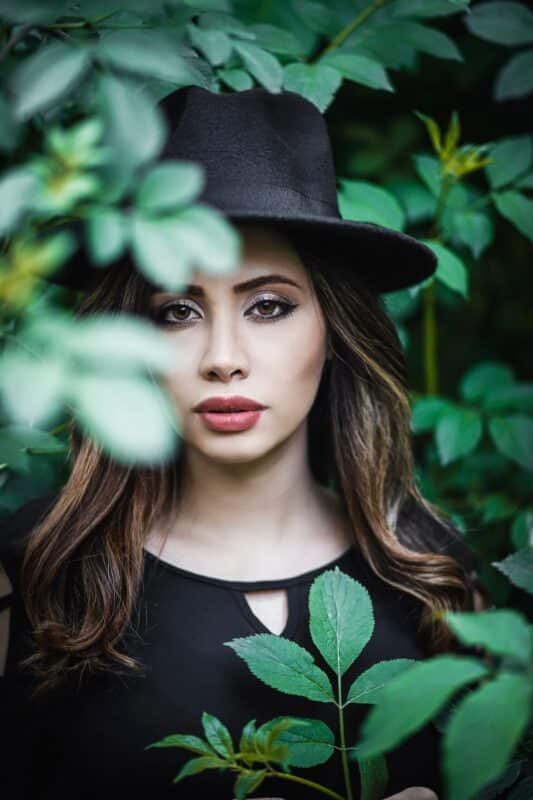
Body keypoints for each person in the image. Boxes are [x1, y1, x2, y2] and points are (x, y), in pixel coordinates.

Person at [0, 86, 488, 799]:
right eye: (176, 311)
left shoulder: (432, 576)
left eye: (267, 306)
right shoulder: (41, 572)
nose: (221, 356)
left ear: (334, 330)